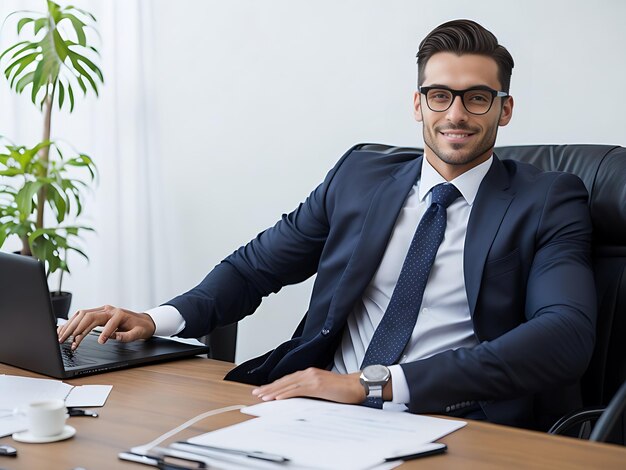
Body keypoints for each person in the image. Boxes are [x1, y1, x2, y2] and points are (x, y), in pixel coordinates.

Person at [58, 19, 596, 431]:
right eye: (440, 95)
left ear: (504, 109)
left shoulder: (547, 199)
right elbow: (255, 267)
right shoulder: (360, 175)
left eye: (477, 97)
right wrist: (157, 319)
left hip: (451, 418)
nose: (456, 113)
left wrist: (375, 386)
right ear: (418, 104)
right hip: (317, 412)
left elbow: (564, 334)